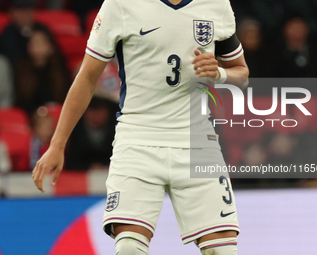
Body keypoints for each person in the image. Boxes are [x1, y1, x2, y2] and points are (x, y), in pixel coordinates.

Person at [32, 0, 249, 254]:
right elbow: (88, 77)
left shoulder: (215, 4)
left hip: (198, 142)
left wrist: (219, 74)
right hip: (137, 141)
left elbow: (241, 73)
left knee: (222, 251)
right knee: (129, 250)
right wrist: (57, 144)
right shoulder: (120, 4)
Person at [14, 25, 70, 115]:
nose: (36, 46)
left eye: (40, 42)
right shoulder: (20, 68)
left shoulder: (59, 67)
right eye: (33, 42)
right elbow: (21, 101)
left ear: (51, 46)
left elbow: (65, 97)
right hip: (30, 116)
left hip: (58, 115)